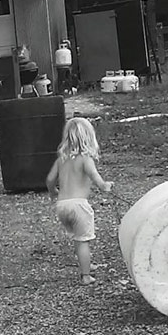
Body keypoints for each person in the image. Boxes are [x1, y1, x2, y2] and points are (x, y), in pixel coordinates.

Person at [46, 118, 114, 285]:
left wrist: (53, 192)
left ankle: (86, 264)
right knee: (83, 241)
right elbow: (94, 176)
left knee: (78, 239)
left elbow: (49, 179)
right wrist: (104, 186)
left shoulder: (61, 159)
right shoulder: (85, 159)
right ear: (89, 138)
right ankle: (85, 275)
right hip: (78, 206)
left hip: (62, 206)